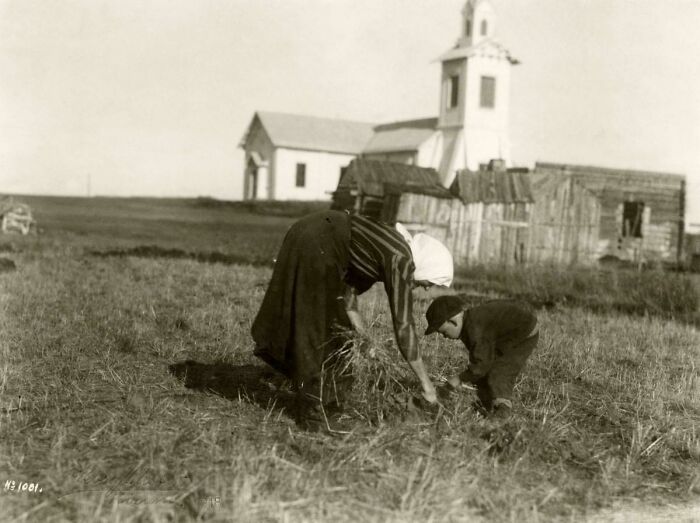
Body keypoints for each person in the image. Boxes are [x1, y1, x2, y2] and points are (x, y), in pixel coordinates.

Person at [251, 209, 453, 429]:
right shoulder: (400, 258)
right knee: (316, 329)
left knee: (337, 332)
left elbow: (347, 295)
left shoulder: (389, 250)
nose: (425, 289)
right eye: (429, 283)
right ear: (426, 266)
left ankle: (322, 401)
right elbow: (404, 325)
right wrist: (427, 386)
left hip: (313, 232)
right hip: (319, 238)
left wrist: (364, 338)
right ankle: (312, 413)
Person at [424, 295, 539, 419]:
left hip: (524, 333)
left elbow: (480, 366)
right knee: (485, 371)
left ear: (453, 321)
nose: (444, 337)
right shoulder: (470, 323)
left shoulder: (475, 329)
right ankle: (487, 402)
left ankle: (501, 412)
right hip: (507, 334)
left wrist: (458, 379)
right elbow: (480, 359)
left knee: (499, 373)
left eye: (444, 332)